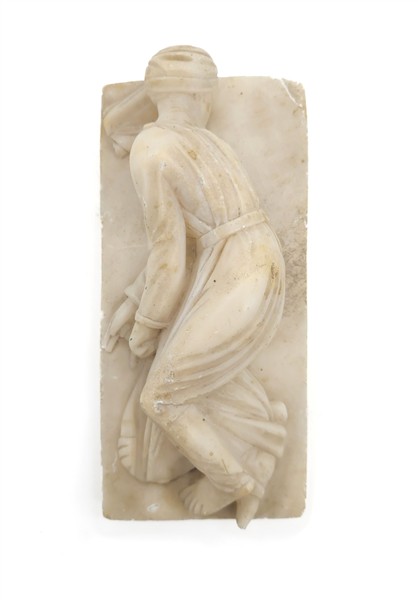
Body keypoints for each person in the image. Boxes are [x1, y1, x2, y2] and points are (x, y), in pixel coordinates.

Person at [103, 46, 287, 528]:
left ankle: (237, 481)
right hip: (251, 264)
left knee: (162, 396)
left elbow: (170, 251)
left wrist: (148, 323)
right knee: (197, 369)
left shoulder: (151, 147)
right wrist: (135, 303)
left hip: (238, 275)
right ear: (199, 98)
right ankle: (264, 438)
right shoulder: (206, 142)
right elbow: (181, 246)